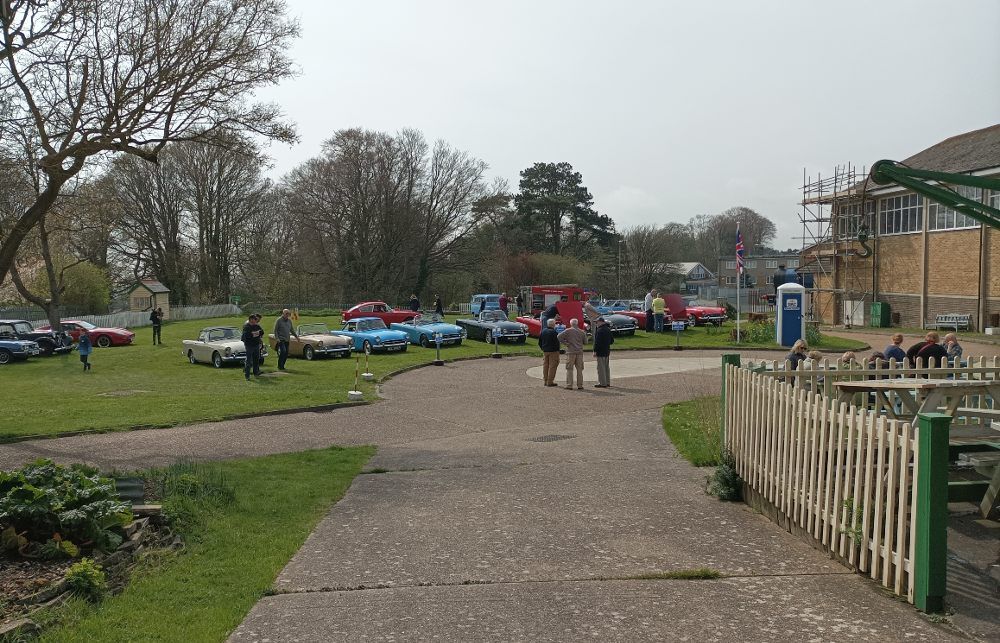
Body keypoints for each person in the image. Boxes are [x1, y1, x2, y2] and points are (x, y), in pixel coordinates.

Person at [557, 318, 587, 390]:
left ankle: (569, 385)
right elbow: (586, 342)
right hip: (579, 352)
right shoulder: (582, 332)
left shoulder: (568, 331)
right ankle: (580, 385)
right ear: (577, 324)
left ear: (571, 324)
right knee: (579, 369)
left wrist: (565, 343)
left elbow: (558, 337)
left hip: (571, 352)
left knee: (569, 369)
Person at [241, 313, 265, 381]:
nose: (256, 321)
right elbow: (248, 336)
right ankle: (247, 375)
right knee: (249, 361)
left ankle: (256, 372)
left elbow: (262, 332)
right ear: (251, 320)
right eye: (255, 319)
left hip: (256, 345)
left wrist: (255, 333)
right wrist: (256, 333)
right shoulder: (246, 327)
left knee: (256, 359)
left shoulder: (257, 326)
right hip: (249, 346)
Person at [538, 318, 561, 387]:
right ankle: (550, 381)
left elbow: (540, 342)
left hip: (545, 351)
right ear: (553, 325)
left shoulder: (543, 331)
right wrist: (558, 350)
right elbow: (557, 343)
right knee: (552, 366)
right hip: (553, 351)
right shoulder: (554, 332)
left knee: (546, 366)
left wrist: (543, 348)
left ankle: (545, 380)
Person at [593, 317, 614, 388]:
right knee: (606, 367)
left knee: (600, 368)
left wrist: (595, 351)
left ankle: (602, 383)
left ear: (601, 322)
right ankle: (607, 382)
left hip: (600, 351)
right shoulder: (608, 329)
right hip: (607, 350)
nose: (596, 324)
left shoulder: (599, 330)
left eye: (597, 322)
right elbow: (612, 341)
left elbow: (597, 342)